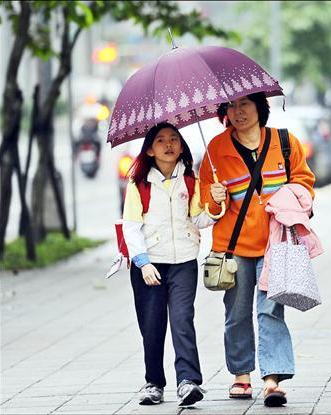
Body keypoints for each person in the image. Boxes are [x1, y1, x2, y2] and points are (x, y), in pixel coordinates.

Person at [200, 92, 315, 407]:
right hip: (233, 247)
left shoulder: (285, 141)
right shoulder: (216, 150)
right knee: (237, 314)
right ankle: (241, 374)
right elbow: (208, 208)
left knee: (270, 309)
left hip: (275, 244)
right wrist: (215, 196)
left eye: (244, 105)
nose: (238, 113)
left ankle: (272, 379)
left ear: (260, 108)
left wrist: (291, 197)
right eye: (232, 107)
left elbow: (305, 182)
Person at [122, 122, 221, 407]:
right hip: (150, 266)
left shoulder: (191, 181)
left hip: (183, 263)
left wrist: (214, 204)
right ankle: (153, 383)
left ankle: (188, 381)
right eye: (161, 140)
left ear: (181, 146)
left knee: (182, 320)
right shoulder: (138, 184)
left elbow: (200, 220)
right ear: (150, 150)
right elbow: (131, 227)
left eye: (174, 139)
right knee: (152, 326)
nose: (169, 144)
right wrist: (142, 263)